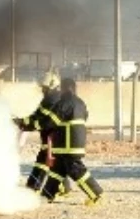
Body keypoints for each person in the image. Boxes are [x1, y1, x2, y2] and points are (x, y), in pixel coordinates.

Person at [38, 77, 103, 205]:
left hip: (67, 144)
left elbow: (52, 121)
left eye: (60, 88)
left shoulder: (65, 102)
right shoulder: (80, 102)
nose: (59, 91)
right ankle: (46, 196)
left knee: (76, 170)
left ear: (65, 88)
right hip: (72, 143)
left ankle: (96, 194)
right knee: (57, 171)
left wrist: (36, 124)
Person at [15, 69, 63, 193]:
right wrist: (22, 121)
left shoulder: (51, 99)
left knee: (43, 162)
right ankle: (61, 188)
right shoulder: (52, 97)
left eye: (45, 88)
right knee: (53, 163)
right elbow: (36, 116)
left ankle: (33, 188)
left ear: (52, 85)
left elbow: (39, 119)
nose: (43, 90)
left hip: (52, 136)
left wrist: (23, 123)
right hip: (52, 136)